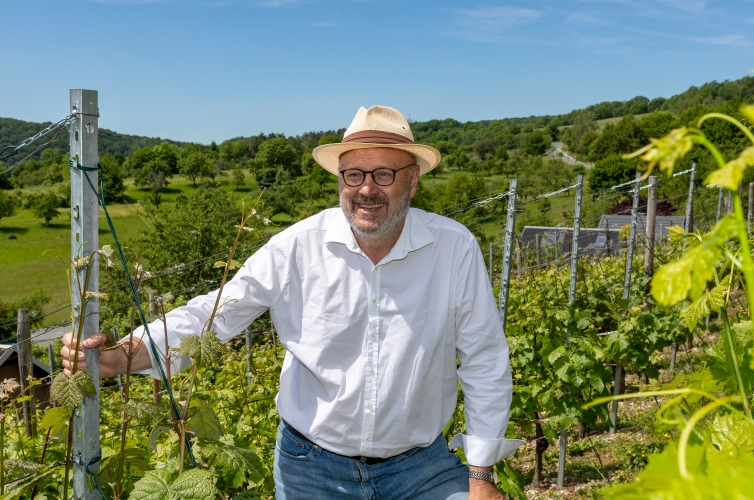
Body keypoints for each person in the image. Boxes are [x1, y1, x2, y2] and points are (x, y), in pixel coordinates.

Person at [62, 105, 523, 499]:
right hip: (312, 469)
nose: (367, 188)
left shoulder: (453, 248)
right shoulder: (296, 247)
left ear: (413, 180)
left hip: (421, 466)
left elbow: (483, 360)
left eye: (384, 173)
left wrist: (480, 473)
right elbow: (215, 313)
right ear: (340, 179)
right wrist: (123, 356)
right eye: (354, 174)